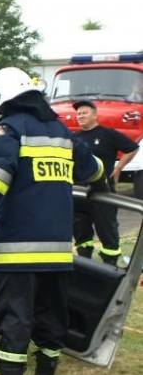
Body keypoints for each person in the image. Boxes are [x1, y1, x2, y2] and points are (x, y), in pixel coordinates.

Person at [0, 67, 104, 375]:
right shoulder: (61, 132)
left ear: (1, 101)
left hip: (17, 248)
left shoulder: (9, 129)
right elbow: (94, 170)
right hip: (57, 249)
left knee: (14, 318)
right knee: (51, 317)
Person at [72, 99, 139, 266]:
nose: (80, 116)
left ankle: (111, 266)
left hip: (103, 192)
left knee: (107, 232)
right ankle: (84, 264)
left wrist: (119, 168)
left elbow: (132, 148)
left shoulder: (108, 134)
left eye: (84, 112)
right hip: (79, 193)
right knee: (81, 234)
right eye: (78, 113)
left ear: (95, 115)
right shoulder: (74, 138)